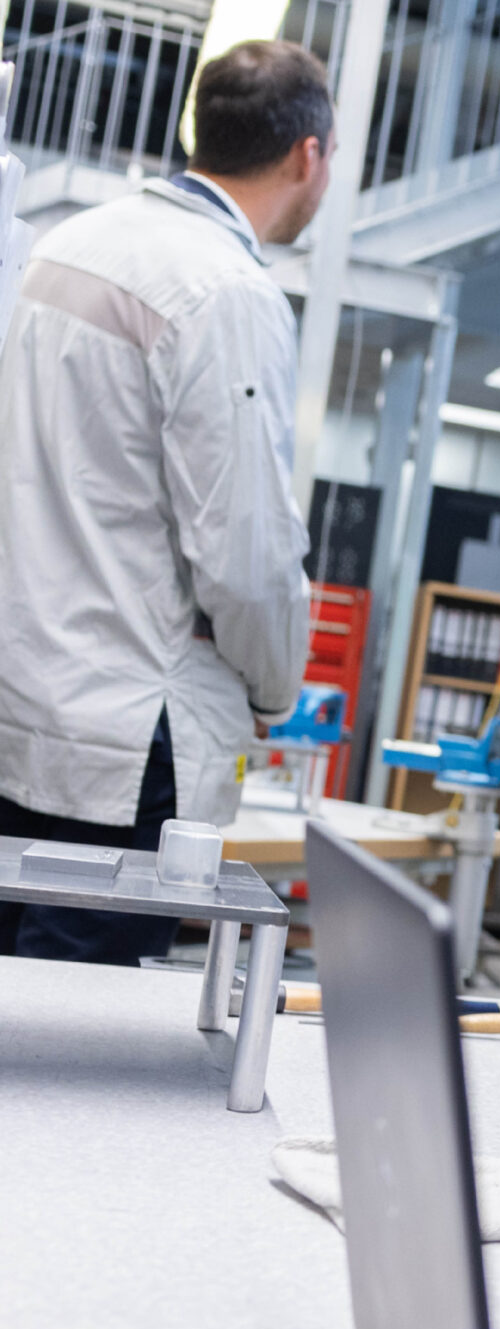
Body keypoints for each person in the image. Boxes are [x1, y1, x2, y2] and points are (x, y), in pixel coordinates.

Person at [0, 40, 328, 964]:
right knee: (79, 1053)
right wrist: (273, 683)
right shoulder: (226, 290)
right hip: (127, 736)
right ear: (310, 153)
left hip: (21, 703)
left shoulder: (62, 243)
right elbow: (247, 552)